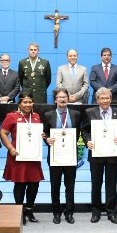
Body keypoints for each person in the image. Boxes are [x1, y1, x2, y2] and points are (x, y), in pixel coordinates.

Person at [0, 93, 44, 224]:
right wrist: (10, 148)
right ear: (19, 104)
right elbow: (3, 132)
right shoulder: (11, 116)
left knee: (34, 183)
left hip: (33, 156)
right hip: (17, 154)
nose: (28, 105)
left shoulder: (36, 117)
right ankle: (19, 213)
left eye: (30, 102)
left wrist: (43, 135)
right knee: (20, 183)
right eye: (25, 102)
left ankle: (29, 210)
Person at [81, 87, 117, 224]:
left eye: (107, 98)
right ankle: (96, 212)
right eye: (102, 98)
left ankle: (112, 212)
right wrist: (88, 141)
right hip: (96, 154)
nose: (105, 100)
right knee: (96, 184)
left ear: (111, 99)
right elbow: (84, 130)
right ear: (97, 99)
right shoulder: (89, 112)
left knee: (111, 185)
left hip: (112, 154)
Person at [43, 88, 81, 224]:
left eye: (64, 97)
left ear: (68, 98)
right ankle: (56, 213)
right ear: (55, 100)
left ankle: (69, 212)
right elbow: (44, 133)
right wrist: (46, 139)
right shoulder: (48, 115)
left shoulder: (76, 114)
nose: (62, 99)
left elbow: (80, 134)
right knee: (55, 185)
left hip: (70, 155)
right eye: (59, 97)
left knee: (70, 186)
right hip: (55, 156)